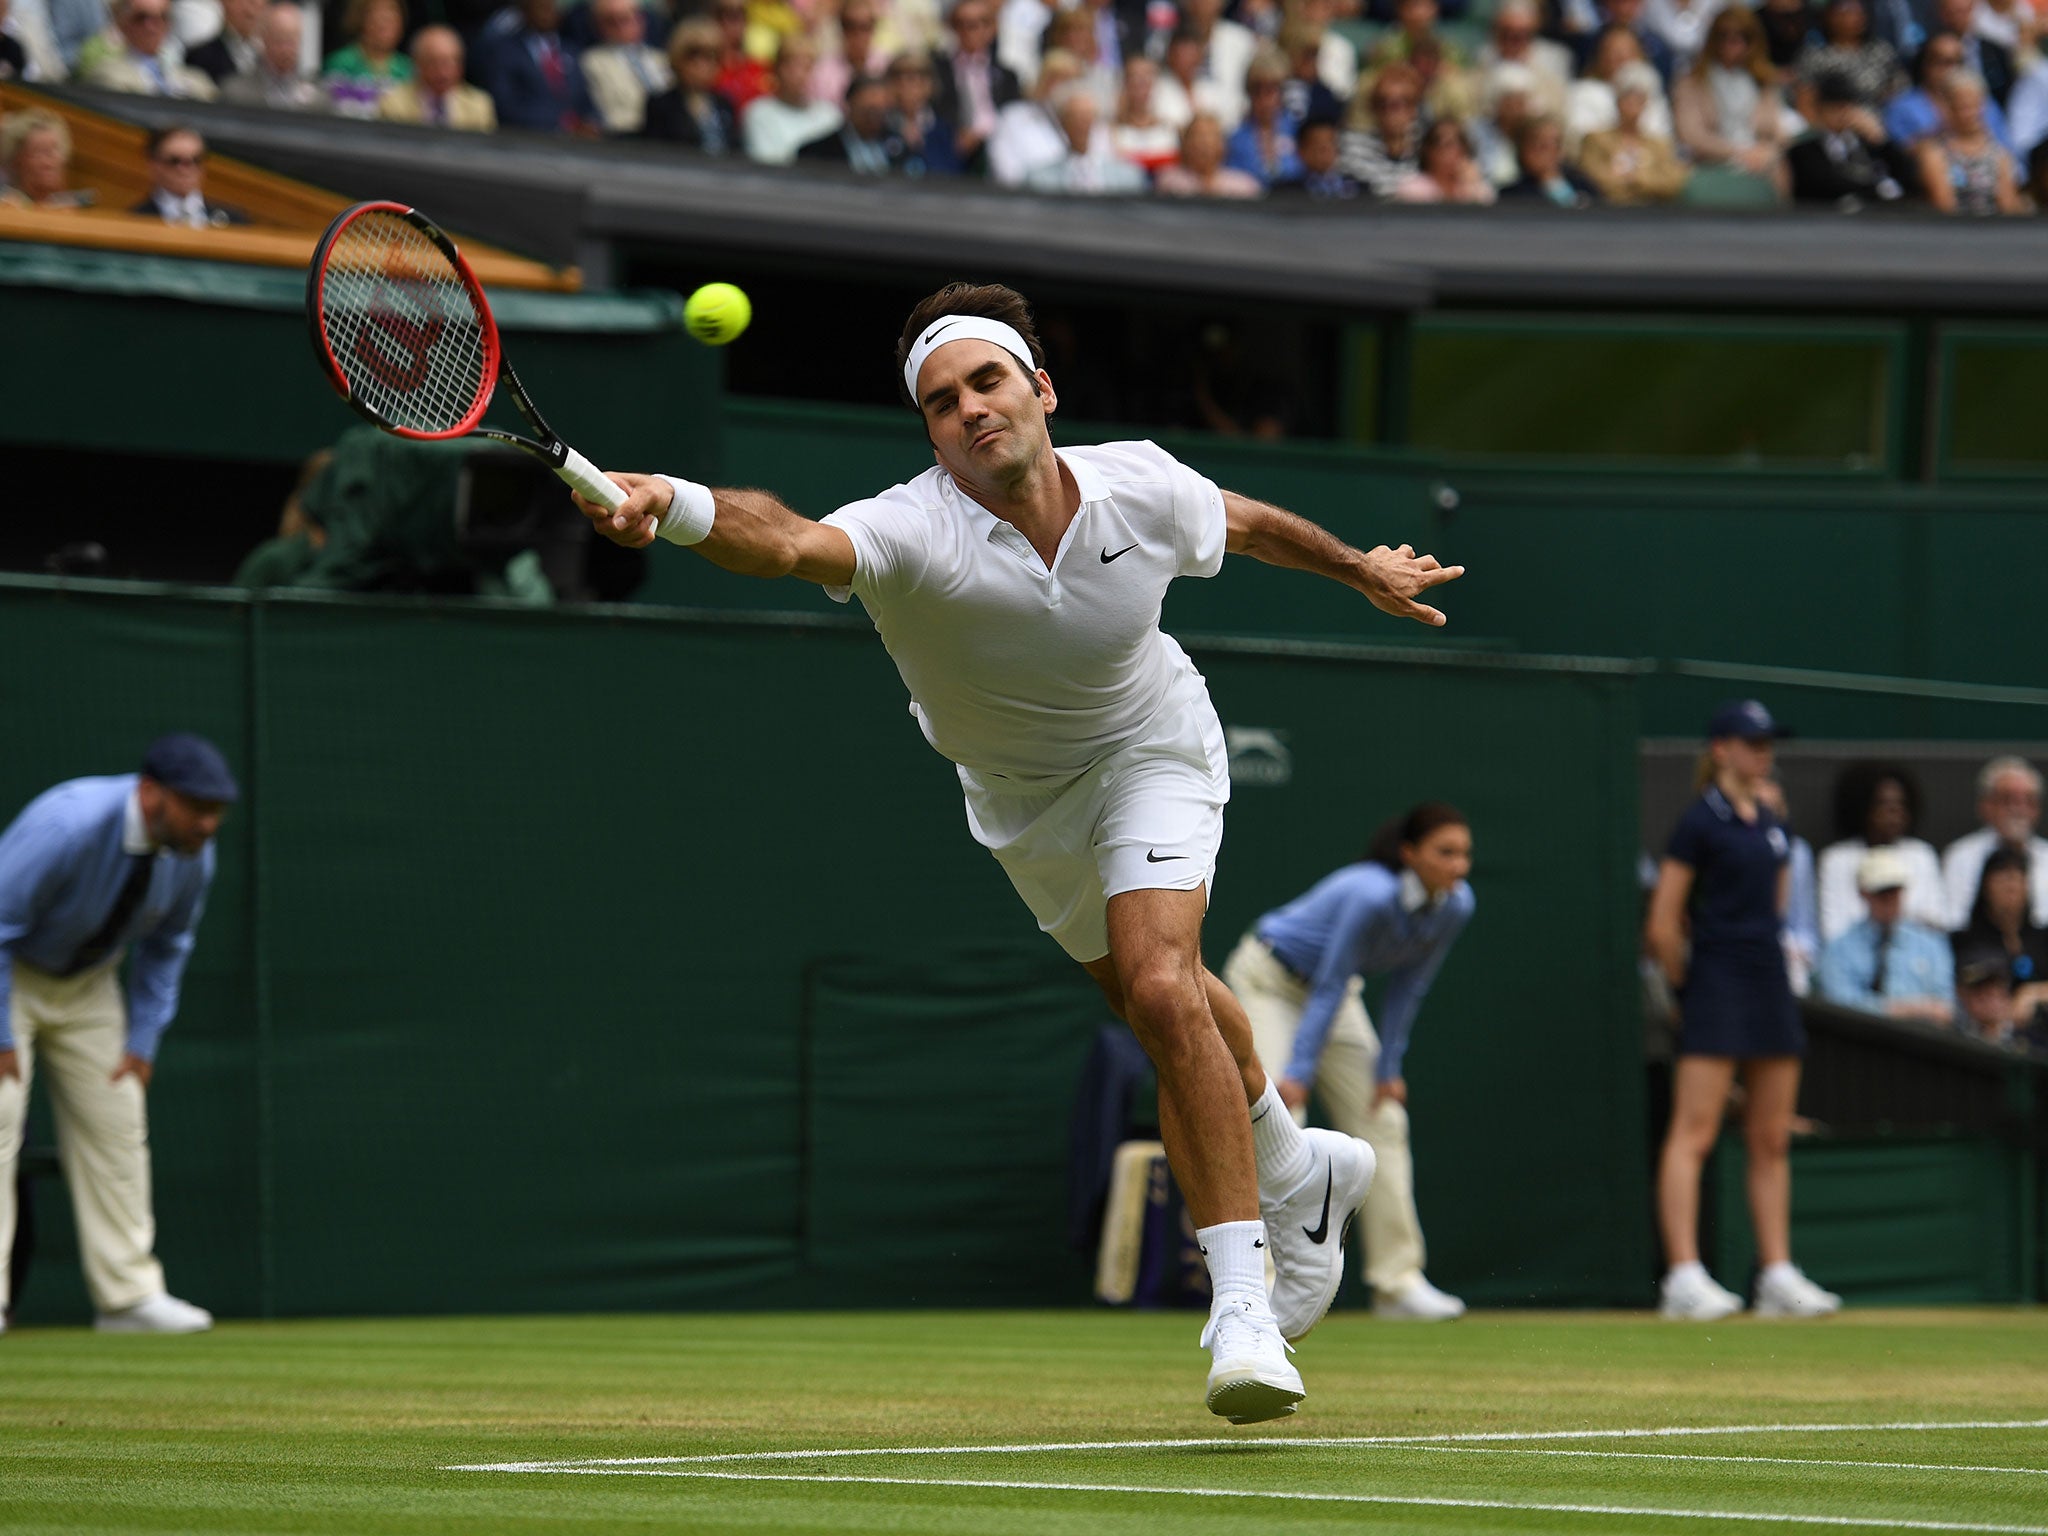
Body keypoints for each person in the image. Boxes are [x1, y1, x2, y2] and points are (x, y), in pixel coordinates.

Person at [571, 281, 1463, 1422]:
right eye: (942, 402)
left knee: (1154, 983)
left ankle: (1242, 1306)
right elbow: (789, 539)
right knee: (1171, 997)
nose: (970, 410)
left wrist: (1360, 569)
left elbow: (1238, 520)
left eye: (987, 381)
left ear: (1039, 390)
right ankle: (1297, 1167)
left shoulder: (1136, 482)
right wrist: (680, 504)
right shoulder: (910, 531)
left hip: (1153, 750)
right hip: (1020, 808)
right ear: (931, 433)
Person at [0, 734, 238, 1337]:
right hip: (10, 973)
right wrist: (2, 1034)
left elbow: (168, 947)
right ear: (151, 793)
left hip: (88, 985)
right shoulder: (70, 822)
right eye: (196, 808)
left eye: (217, 812)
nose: (208, 824)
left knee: (119, 1117)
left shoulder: (193, 855)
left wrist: (143, 1044)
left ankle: (128, 1298)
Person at [1219, 804, 1476, 1322]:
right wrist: (1298, 1072)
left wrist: (1389, 1069)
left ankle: (1397, 1283)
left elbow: (1411, 985)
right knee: (1279, 1122)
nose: (1458, 867)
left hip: (1332, 1000)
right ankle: (1263, 1285)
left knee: (1384, 1118)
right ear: (1410, 855)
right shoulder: (1370, 894)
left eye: (1464, 854)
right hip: (1270, 979)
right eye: (1445, 853)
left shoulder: (1456, 905)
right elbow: (1333, 978)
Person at [1645, 699, 1841, 1321]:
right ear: (1721, 749)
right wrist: (1690, 989)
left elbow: (1777, 911)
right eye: (1752, 743)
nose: (1764, 753)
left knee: (1770, 1137)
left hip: (1768, 984)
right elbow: (1661, 926)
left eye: (1768, 744)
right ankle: (1682, 1276)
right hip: (1717, 982)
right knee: (1694, 1133)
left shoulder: (1775, 820)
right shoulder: (1699, 822)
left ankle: (1776, 1275)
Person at [1814, 847, 1956, 1022]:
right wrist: (1909, 1009)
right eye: (1881, 892)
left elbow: (1946, 1008)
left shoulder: (1931, 944)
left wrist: (1880, 1008)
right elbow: (1842, 1006)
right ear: (1864, 893)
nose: (1889, 899)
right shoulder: (1839, 949)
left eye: (1894, 891)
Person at [1816, 763, 1944, 943]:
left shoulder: (1922, 855)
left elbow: (1934, 924)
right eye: (1883, 804)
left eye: (1900, 805)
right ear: (1862, 807)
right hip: (1851, 963)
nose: (1894, 813)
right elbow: (1833, 930)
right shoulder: (1836, 859)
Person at [1672, 3, 1789, 194]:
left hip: (1760, 163)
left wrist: (1766, 153)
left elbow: (1779, 133)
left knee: (1782, 169)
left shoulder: (1764, 81)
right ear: (1713, 39)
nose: (1732, 43)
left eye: (1742, 36)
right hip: (1711, 162)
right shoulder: (1691, 82)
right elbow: (1691, 135)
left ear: (1753, 41)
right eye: (1724, 36)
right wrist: (1739, 152)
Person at [1942, 756, 2048, 928]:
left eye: (2028, 801)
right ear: (1986, 805)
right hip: (1978, 950)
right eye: (2008, 799)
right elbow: (1955, 923)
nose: (2018, 809)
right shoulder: (1961, 856)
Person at [1787, 67, 1908, 202]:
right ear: (1819, 108)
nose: (1843, 112)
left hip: (1875, 215)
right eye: (1835, 106)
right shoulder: (1806, 144)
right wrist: (1877, 188)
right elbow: (1823, 183)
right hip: (1825, 216)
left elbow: (1907, 175)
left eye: (1847, 105)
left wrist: (1883, 142)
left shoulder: (1866, 142)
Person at [1953, 845, 2048, 1017]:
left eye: (2018, 878)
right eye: (2003, 879)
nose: (2011, 887)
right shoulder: (1965, 940)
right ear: (1985, 886)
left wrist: (2032, 993)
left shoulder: (2043, 938)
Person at [477, 0, 596, 133]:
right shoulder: (504, 52)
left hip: (578, 141)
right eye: (541, 8)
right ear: (525, 11)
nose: (547, 14)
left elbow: (586, 99)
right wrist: (560, 124)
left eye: (550, 8)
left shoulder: (572, 50)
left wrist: (590, 122)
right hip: (530, 138)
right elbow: (505, 105)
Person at [1578, 59, 1690, 200]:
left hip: (1652, 214)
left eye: (1639, 99)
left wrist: (1635, 178)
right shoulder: (1595, 139)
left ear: (1646, 104)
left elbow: (1674, 183)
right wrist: (1646, 181)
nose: (1632, 105)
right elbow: (1590, 177)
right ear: (1617, 101)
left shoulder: (1660, 145)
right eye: (1627, 98)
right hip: (1607, 212)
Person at [930, 0, 1020, 172]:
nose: (968, 31)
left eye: (975, 25)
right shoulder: (938, 69)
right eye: (960, 25)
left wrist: (981, 132)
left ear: (991, 28)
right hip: (954, 146)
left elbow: (1012, 116)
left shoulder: (1007, 76)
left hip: (998, 145)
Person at [1916, 70, 2023, 211]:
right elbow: (1944, 206)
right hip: (1950, 229)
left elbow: (2009, 207)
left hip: (1996, 229)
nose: (1969, 113)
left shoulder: (2000, 155)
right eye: (1962, 106)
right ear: (1948, 107)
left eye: (1974, 105)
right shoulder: (1933, 152)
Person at [1024, 82, 1148, 189]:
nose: (1081, 125)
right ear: (1063, 123)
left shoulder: (1127, 177)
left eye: (1086, 117)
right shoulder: (1040, 179)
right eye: (1074, 117)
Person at [81, 0, 218, 97]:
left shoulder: (196, 80)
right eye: (142, 18)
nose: (153, 26)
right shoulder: (107, 74)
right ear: (122, 23)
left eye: (162, 17)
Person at [638, 17, 736, 151]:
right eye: (694, 55)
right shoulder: (660, 105)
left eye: (711, 55)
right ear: (677, 56)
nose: (702, 64)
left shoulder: (725, 106)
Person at [377, 25, 497, 129]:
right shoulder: (393, 105)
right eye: (434, 63)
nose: (443, 73)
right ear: (418, 64)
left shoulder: (479, 107)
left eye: (450, 63)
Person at [579, 0, 672, 134]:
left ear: (640, 19)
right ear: (598, 26)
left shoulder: (662, 59)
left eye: (625, 19)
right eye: (611, 21)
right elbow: (610, 114)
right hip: (628, 137)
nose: (620, 26)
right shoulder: (592, 62)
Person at [130, 124, 250, 226]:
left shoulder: (234, 222)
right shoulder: (135, 221)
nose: (186, 169)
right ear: (154, 164)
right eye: (175, 161)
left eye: (196, 160)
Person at [745, 36, 840, 162]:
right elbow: (767, 166)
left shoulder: (830, 115)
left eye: (807, 67)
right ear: (777, 70)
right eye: (792, 67)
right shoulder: (759, 113)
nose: (800, 75)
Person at [220, 1, 328, 109]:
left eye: (291, 41)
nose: (286, 49)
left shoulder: (317, 98)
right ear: (264, 39)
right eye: (279, 40)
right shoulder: (236, 93)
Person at [1339, 61, 1423, 196]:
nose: (1388, 112)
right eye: (1381, 103)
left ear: (1413, 108)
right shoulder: (1353, 147)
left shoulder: (1426, 146)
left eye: (1396, 105)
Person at [1224, 46, 1302, 186]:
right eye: (1257, 90)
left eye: (1271, 90)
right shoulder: (1235, 140)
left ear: (1282, 93)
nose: (1264, 99)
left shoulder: (1297, 132)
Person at [319, 0, 408, 115]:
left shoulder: (407, 69)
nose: (385, 27)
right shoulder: (340, 63)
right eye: (379, 20)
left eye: (391, 21)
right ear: (361, 20)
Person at [1154, 109, 1266, 194]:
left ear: (1221, 146)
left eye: (1211, 137)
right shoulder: (1170, 183)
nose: (1204, 144)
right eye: (1198, 136)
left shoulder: (1244, 187)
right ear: (1185, 145)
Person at [886, 50, 961, 176]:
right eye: (899, 79)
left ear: (929, 85)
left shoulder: (943, 130)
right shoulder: (880, 126)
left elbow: (951, 172)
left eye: (913, 79)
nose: (906, 87)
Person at [0, 108, 93, 208]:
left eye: (54, 151)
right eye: (38, 152)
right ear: (17, 161)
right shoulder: (6, 204)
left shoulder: (75, 206)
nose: (48, 163)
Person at [1499, 112, 1601, 202]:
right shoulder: (1512, 196)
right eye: (1542, 146)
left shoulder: (1583, 186)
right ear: (1523, 149)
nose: (1551, 151)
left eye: (1556, 144)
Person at [1393, 116, 1498, 199]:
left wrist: (1472, 186)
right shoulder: (1412, 189)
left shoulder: (1477, 186)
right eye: (1444, 144)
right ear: (1428, 151)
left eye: (1458, 143)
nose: (1452, 151)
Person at [1271, 111, 1362, 194]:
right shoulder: (1286, 191)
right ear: (1301, 151)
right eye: (1317, 145)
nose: (1325, 150)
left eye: (1330, 143)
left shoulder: (1357, 189)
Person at [183, 0, 261, 82]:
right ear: (224, 3)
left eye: (255, 3)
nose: (251, 11)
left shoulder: (267, 54)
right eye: (245, 2)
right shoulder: (199, 57)